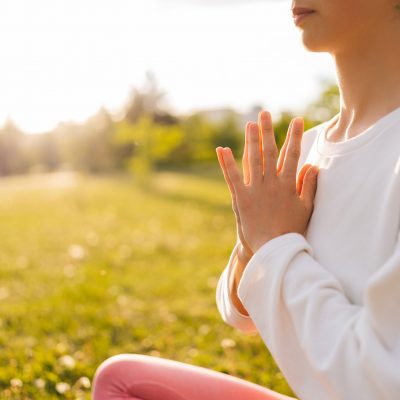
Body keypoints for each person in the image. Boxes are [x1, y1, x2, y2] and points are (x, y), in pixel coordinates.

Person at [92, 1, 400, 399]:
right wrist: (250, 241)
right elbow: (241, 312)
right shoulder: (304, 149)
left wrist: (274, 243)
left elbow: (381, 383)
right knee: (122, 381)